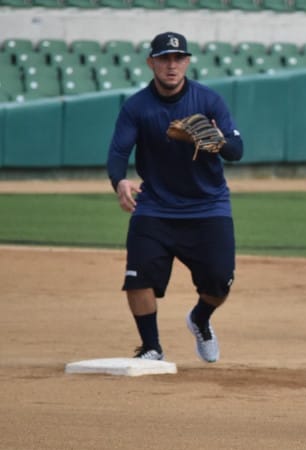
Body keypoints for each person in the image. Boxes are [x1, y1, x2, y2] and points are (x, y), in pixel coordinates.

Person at [106, 31, 244, 363]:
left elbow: (237, 151)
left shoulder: (208, 101)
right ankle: (151, 346)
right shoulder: (137, 106)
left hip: (208, 206)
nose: (172, 65)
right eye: (164, 58)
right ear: (151, 62)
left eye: (178, 58)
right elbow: (118, 152)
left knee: (219, 283)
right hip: (154, 206)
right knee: (137, 278)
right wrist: (120, 182)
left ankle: (200, 318)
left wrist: (215, 139)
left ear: (187, 62)